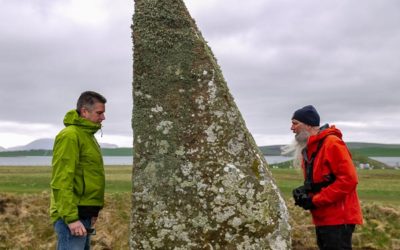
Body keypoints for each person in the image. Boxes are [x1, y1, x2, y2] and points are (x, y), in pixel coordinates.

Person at [290, 105, 363, 250]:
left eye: (295, 123)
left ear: (308, 124)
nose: (292, 128)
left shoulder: (331, 143)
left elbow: (349, 180)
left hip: (338, 218)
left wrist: (314, 200)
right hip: (324, 218)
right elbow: (322, 180)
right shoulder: (310, 147)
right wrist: (305, 190)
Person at [50, 91, 107, 250]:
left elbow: (89, 177)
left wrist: (93, 211)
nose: (103, 117)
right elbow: (62, 180)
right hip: (73, 216)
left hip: (84, 215)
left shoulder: (87, 136)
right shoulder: (70, 136)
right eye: (99, 113)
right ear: (84, 111)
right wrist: (71, 218)